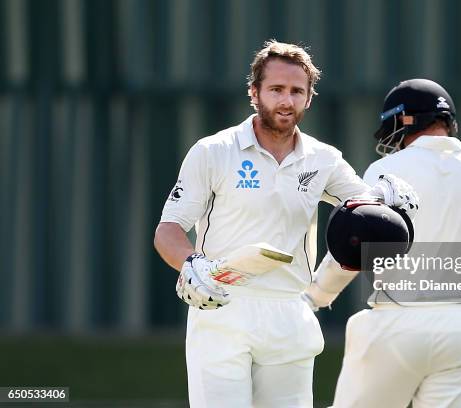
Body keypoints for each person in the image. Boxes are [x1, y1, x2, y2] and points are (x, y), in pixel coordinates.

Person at [153, 40, 418, 408]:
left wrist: (389, 195)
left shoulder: (323, 159)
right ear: (254, 92)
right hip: (223, 306)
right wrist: (190, 265)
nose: (286, 101)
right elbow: (168, 231)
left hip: (288, 310)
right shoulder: (213, 151)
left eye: (297, 91)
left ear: (309, 98)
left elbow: (365, 206)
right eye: (276, 89)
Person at [304, 78, 461, 407]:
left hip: (395, 323)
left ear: (402, 123)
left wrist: (314, 297)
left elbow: (354, 246)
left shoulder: (385, 170)